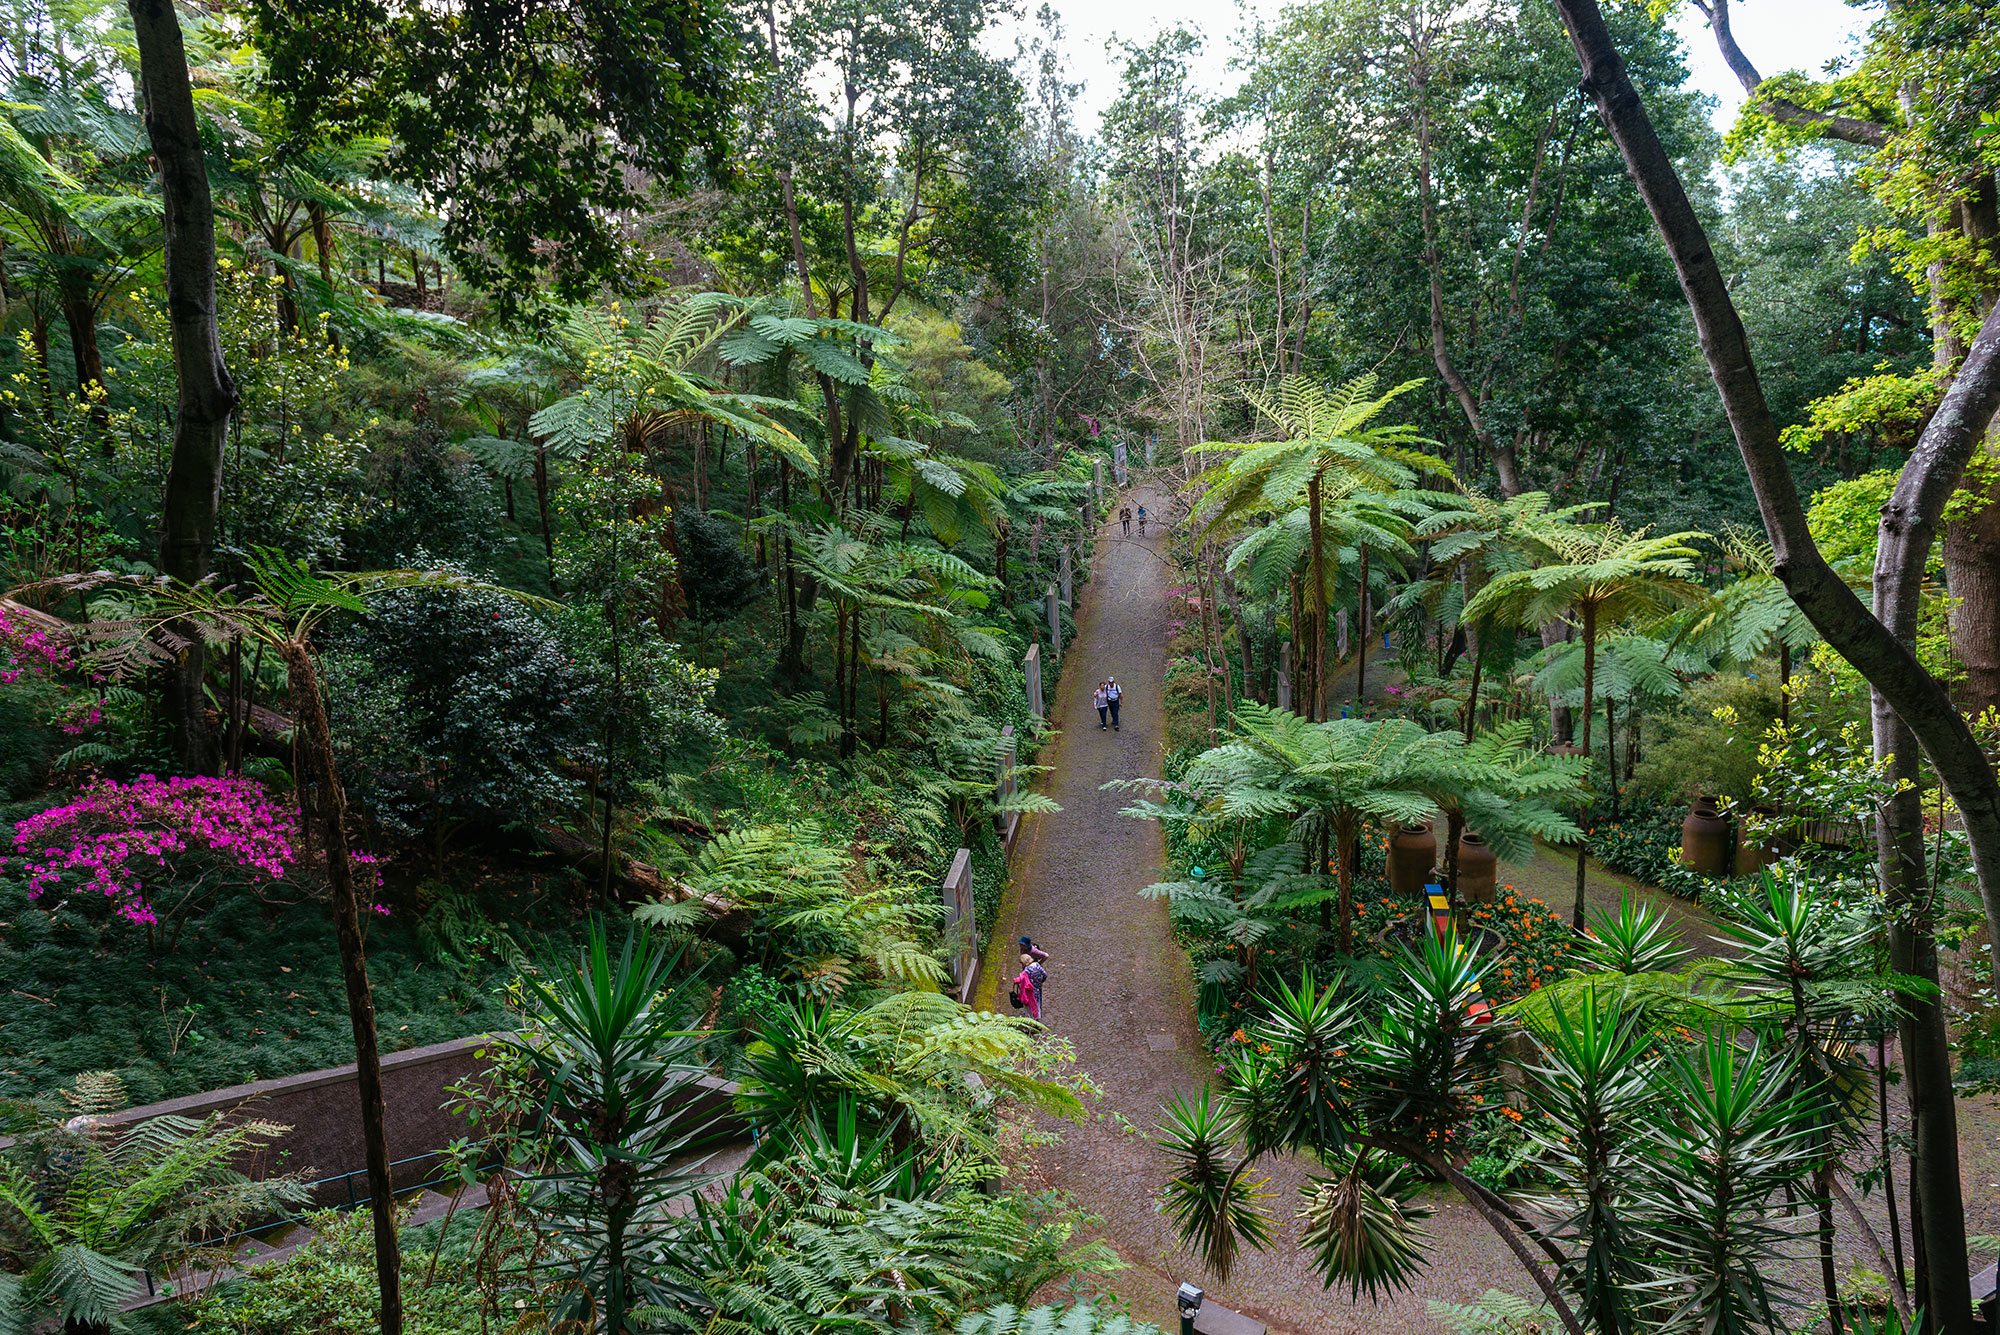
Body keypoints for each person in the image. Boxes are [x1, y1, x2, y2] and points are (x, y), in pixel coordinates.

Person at [1013, 952, 1044, 1020]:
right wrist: (1041, 982)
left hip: (1029, 992)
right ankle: (1037, 1020)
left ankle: (1031, 1023)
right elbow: (1045, 974)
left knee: (1028, 1008)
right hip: (1037, 990)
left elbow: (1020, 979)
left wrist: (1015, 980)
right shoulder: (1037, 965)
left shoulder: (1026, 970)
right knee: (1037, 1005)